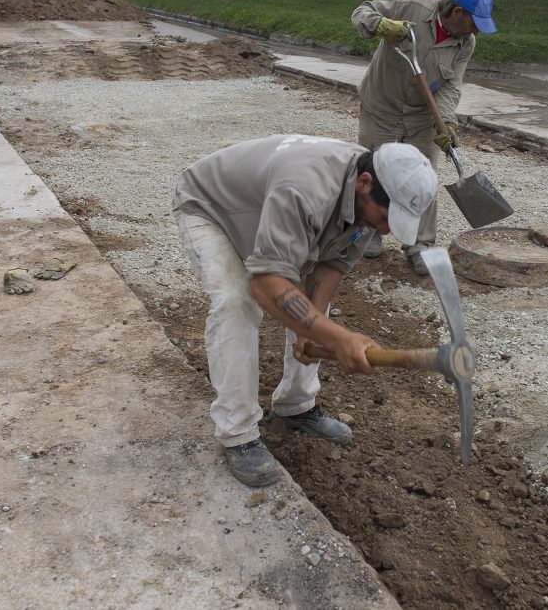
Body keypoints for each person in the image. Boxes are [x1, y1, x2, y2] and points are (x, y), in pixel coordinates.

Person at [172, 135, 437, 487]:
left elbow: (329, 268)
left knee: (315, 314)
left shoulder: (363, 202)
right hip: (212, 208)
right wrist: (339, 338)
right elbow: (266, 285)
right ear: (364, 183)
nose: (386, 229)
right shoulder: (305, 190)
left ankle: (296, 406)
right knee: (236, 301)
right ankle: (238, 434)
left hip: (271, 216)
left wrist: (310, 332)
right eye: (386, 216)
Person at [351, 0, 497, 275]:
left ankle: (419, 246)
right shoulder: (412, 4)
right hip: (381, 105)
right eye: (476, 22)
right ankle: (368, 233)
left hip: (420, 115)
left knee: (424, 176)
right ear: (458, 13)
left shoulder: (465, 43)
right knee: (371, 170)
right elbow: (361, 11)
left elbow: (450, 87)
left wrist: (446, 122)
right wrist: (380, 25)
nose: (478, 29)